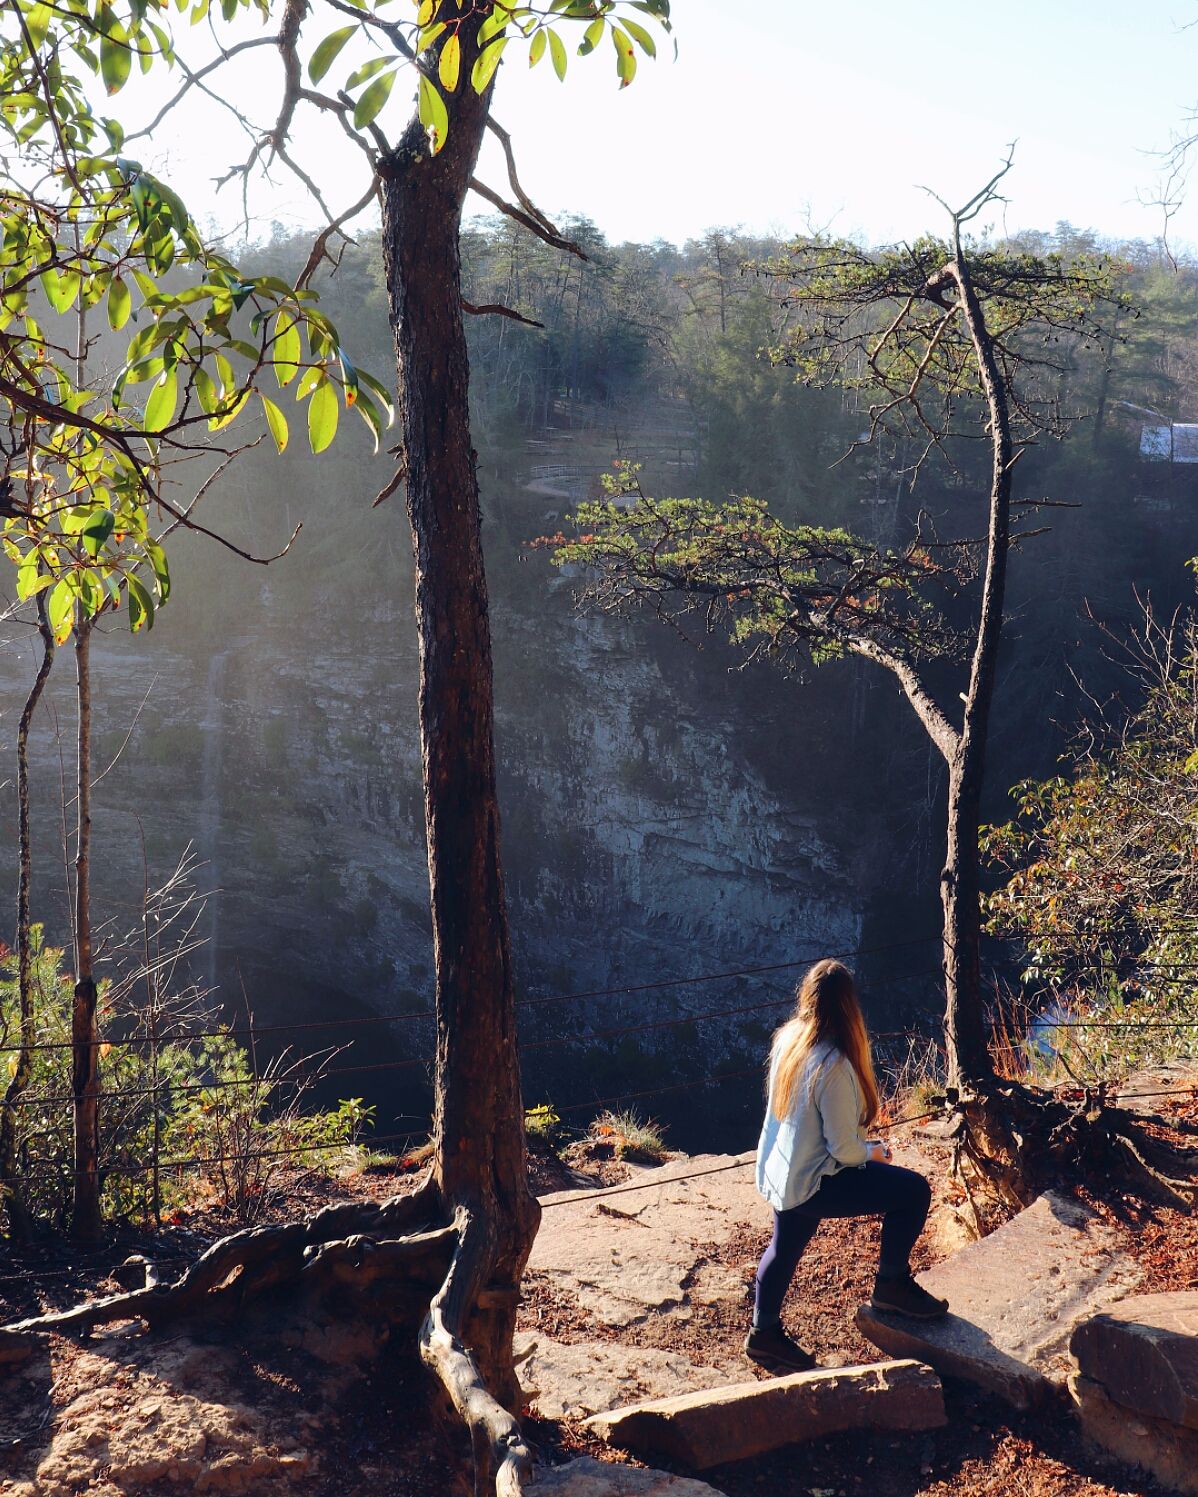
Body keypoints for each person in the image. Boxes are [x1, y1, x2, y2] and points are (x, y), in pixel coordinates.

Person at [745, 958, 947, 1374]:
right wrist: (872, 1151)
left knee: (783, 1247)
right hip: (816, 1181)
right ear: (848, 1007)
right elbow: (844, 1150)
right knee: (913, 1193)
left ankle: (763, 1334)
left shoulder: (788, 1038)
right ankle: (891, 1286)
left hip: (784, 1173)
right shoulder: (833, 1064)